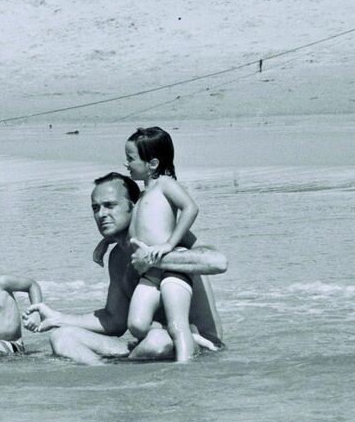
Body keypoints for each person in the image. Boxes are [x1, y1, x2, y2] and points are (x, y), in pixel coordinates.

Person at [23, 172, 227, 365]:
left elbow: (217, 261)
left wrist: (153, 260)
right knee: (62, 337)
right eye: (95, 208)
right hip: (149, 343)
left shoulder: (164, 234)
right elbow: (114, 320)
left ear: (134, 207)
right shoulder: (117, 257)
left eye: (110, 205)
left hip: (200, 345)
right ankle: (112, 376)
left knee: (157, 341)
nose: (101, 214)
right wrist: (58, 318)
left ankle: (126, 366)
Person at [121, 126, 199, 362]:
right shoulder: (143, 195)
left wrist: (169, 244)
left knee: (177, 324)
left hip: (171, 266)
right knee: (136, 325)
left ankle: (184, 367)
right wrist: (106, 243)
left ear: (152, 164)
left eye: (131, 159)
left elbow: (190, 208)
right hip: (150, 271)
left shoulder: (165, 184)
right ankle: (190, 338)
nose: (126, 164)